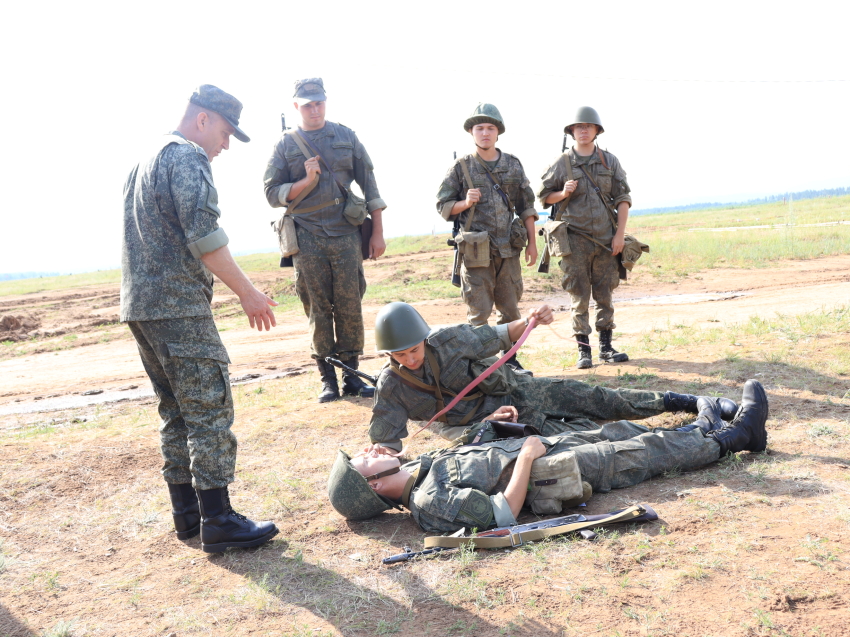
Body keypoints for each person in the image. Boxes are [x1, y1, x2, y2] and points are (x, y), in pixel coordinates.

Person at [121, 85, 279, 553]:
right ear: (204, 119)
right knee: (209, 410)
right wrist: (248, 292)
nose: (225, 146)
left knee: (175, 411)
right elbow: (205, 236)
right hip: (178, 308)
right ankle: (220, 520)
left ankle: (187, 514)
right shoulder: (187, 158)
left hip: (142, 307)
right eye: (227, 133)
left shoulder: (144, 159)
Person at [329, 380, 769, 533]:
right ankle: (736, 437)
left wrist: (489, 428)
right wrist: (524, 457)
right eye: (361, 460)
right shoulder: (428, 502)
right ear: (370, 486)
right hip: (548, 472)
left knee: (620, 431)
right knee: (642, 453)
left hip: (541, 451)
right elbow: (500, 514)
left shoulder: (419, 470)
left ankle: (705, 425)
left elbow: (469, 458)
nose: (366, 451)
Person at [367, 302, 738, 452]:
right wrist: (381, 456)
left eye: (414, 349)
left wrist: (529, 319)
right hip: (486, 430)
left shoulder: (447, 339)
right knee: (584, 438)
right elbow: (388, 442)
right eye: (400, 354)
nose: (410, 357)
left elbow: (499, 335)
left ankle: (682, 402)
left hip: (517, 392)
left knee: (592, 397)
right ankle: (690, 435)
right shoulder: (391, 387)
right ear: (387, 355)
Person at [263, 78, 387, 403]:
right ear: (296, 107)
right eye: (307, 104)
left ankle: (353, 378)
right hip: (307, 236)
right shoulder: (285, 145)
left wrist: (378, 231)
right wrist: (304, 182)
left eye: (318, 102)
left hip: (346, 233)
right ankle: (328, 380)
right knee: (318, 309)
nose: (314, 109)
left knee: (349, 305)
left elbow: (370, 184)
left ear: (325, 102)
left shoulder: (345, 136)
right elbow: (270, 193)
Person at [436, 104, 538, 374]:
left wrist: (533, 244)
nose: (485, 133)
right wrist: (463, 202)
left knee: (511, 310)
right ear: (471, 132)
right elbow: (443, 206)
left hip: (509, 250)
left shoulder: (512, 165)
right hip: (476, 252)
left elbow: (527, 206)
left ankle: (511, 361)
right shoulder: (461, 167)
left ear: (498, 132)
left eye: (490, 128)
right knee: (479, 313)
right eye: (479, 128)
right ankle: (481, 365)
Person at [538, 106, 632, 369]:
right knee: (578, 296)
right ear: (571, 132)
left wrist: (620, 236)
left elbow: (623, 199)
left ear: (596, 130)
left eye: (588, 126)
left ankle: (605, 347)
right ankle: (584, 351)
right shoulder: (561, 163)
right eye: (578, 127)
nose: (583, 130)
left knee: (605, 295)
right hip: (573, 240)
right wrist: (562, 193)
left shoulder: (609, 161)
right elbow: (544, 197)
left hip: (605, 240)